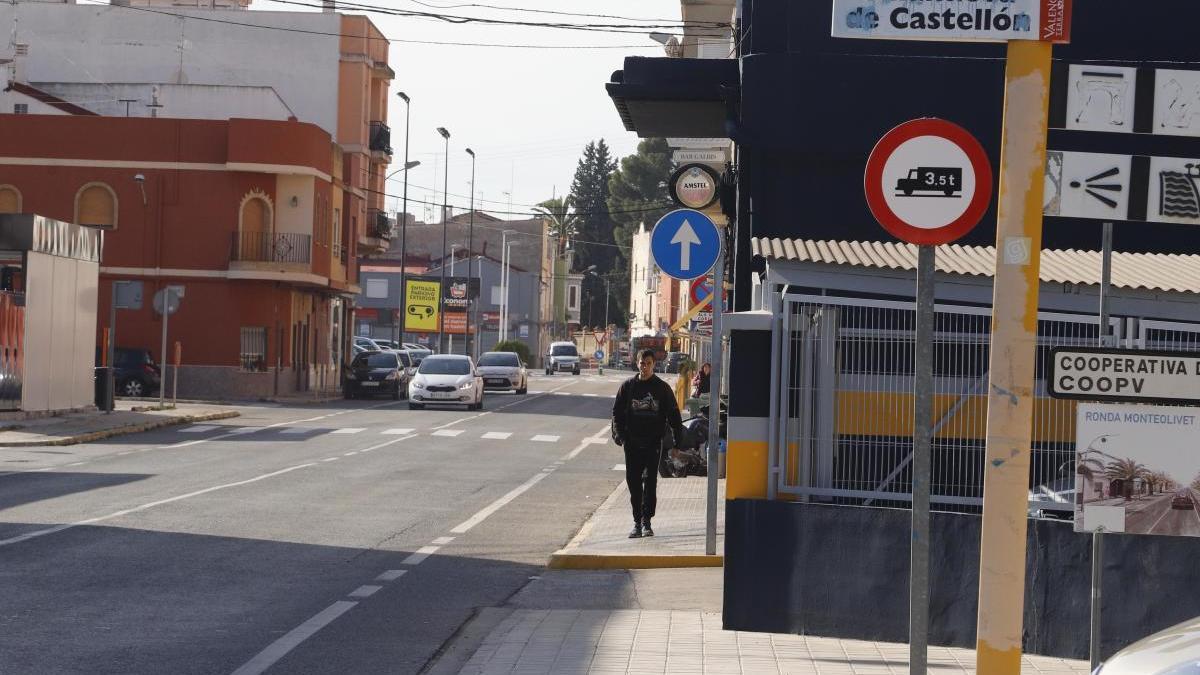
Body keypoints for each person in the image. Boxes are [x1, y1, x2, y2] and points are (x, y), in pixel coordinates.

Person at [611, 348, 684, 538]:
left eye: (649, 363)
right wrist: (620, 436)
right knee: (634, 484)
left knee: (650, 484)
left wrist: (677, 442)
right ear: (637, 364)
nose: (645, 367)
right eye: (642, 363)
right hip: (632, 443)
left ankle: (647, 522)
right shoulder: (628, 387)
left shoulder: (661, 388)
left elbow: (674, 416)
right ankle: (636, 522)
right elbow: (617, 414)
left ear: (654, 365)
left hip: (653, 443)